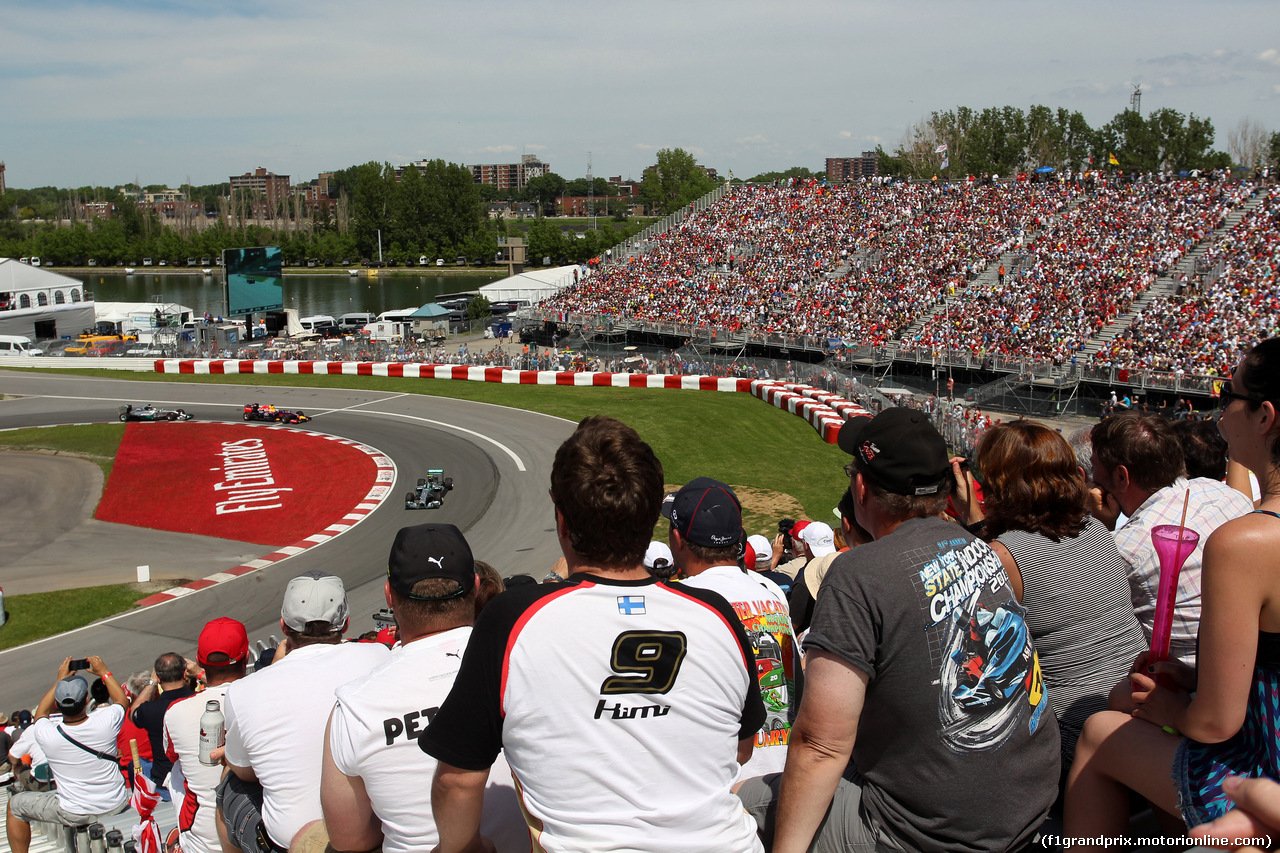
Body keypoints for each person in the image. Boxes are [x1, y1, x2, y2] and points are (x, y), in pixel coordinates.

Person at [421, 416, 765, 853]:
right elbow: (741, 748)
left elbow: (457, 781)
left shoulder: (513, 619)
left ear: (562, 520)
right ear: (649, 518)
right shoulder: (716, 613)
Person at [738, 408, 1059, 853]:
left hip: (936, 833)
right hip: (1031, 800)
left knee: (746, 800)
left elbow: (819, 746)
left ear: (862, 487)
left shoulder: (857, 574)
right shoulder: (981, 545)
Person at [1065, 338, 1280, 847]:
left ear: (1265, 416)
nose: (1220, 411)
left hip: (1264, 767)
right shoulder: (1227, 502)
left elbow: (1213, 722)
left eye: (1228, 394)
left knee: (1098, 735)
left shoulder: (1247, 541)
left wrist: (1171, 711)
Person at [318, 523, 526, 853]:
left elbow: (350, 840)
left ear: (389, 595)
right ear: (474, 586)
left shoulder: (354, 706)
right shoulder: (526, 663)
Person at [952, 419, 1147, 768]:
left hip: (1072, 730)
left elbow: (972, 655)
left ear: (999, 482)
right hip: (1136, 707)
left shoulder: (1003, 555)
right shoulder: (1095, 528)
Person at [217, 571, 389, 853]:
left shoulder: (244, 691)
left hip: (292, 842)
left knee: (228, 785)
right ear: (346, 623)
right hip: (373, 831)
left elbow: (245, 772)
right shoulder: (380, 655)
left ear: (284, 626)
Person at [1091, 411, 1254, 666]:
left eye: (1094, 467)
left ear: (1122, 477)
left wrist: (1100, 527)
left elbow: (1091, 625)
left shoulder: (1125, 549)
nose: (1093, 477)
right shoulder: (1223, 493)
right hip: (1250, 667)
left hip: (1187, 683)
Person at [667, 477, 796, 778]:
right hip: (786, 774)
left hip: (727, 784)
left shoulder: (681, 604)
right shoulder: (773, 595)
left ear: (677, 539)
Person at [5, 658, 130, 853]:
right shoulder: (105, 721)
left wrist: (59, 681)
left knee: (15, 805)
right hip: (116, 802)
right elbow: (121, 700)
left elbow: (40, 715)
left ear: (57, 703)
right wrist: (104, 672)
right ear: (86, 701)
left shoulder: (46, 733)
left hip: (75, 811)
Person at [162, 618, 250, 853]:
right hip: (256, 826)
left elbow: (171, 756)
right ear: (247, 657)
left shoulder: (176, 711)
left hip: (204, 837)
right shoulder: (265, 697)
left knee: (178, 768)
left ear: (200, 660)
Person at [130, 651, 196, 794]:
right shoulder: (201, 699)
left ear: (159, 678)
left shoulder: (150, 710)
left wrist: (152, 682)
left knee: (136, 765)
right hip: (195, 776)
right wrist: (199, 672)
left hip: (164, 782)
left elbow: (134, 711)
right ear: (185, 674)